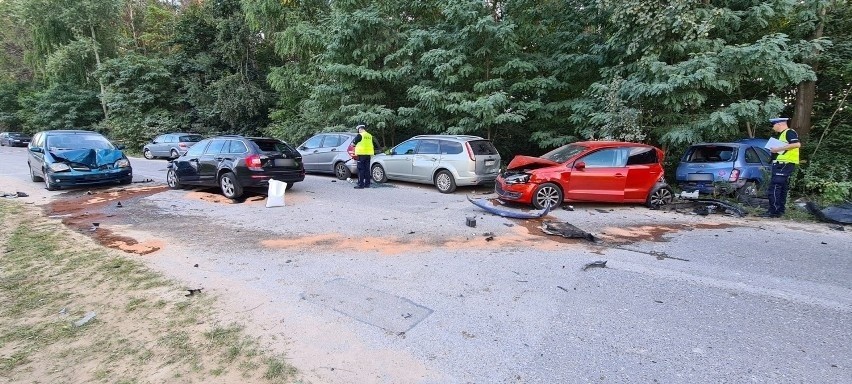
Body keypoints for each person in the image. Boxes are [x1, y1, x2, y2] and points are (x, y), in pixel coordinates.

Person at [764, 117, 801, 218]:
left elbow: (797, 144)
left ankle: (773, 212)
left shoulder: (789, 132)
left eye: (773, 125)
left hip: (784, 163)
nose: (773, 127)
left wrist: (777, 149)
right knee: (782, 187)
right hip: (782, 163)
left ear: (779, 124)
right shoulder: (783, 134)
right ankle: (780, 210)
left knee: (775, 186)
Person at [351, 124, 374, 189]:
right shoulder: (369, 135)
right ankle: (367, 184)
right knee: (367, 169)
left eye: (358, 130)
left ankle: (361, 184)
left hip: (361, 155)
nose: (358, 131)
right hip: (368, 154)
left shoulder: (360, 135)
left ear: (360, 129)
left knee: (361, 169)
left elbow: (353, 144)